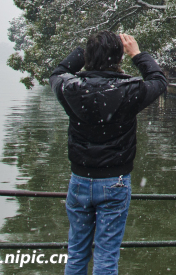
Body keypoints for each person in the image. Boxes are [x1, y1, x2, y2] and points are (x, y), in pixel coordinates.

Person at [50, 32, 167, 275]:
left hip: (80, 179)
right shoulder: (130, 90)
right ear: (119, 58)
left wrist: (84, 52)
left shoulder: (71, 89)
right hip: (115, 180)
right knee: (106, 256)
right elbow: (158, 80)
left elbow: (57, 73)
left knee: (77, 253)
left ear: (88, 58)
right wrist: (137, 54)